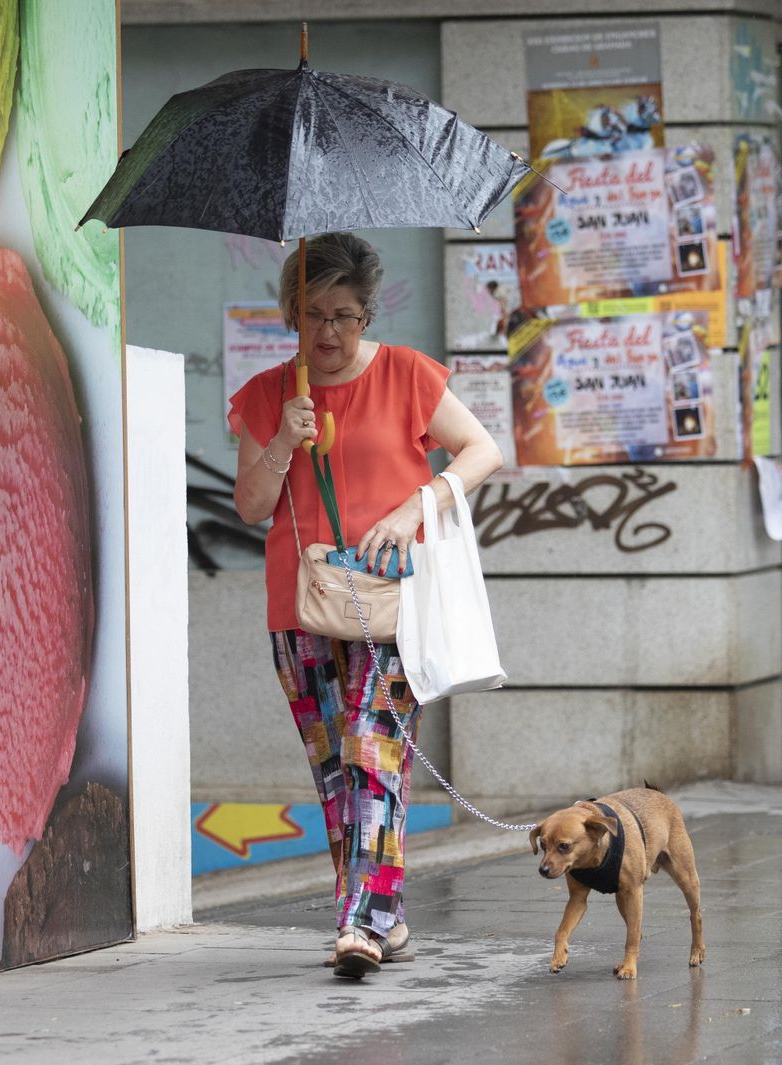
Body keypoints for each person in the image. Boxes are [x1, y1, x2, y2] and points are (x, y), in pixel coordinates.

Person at [228, 232, 504, 977]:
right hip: (302, 608)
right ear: (291, 313)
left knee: (369, 747)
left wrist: (419, 505)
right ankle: (382, 908)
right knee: (334, 771)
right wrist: (283, 439)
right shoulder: (267, 395)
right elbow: (251, 504)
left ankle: (362, 919)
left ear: (366, 314)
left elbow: (484, 450)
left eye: (345, 315)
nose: (328, 332)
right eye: (313, 313)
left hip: (393, 604)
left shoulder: (408, 375)